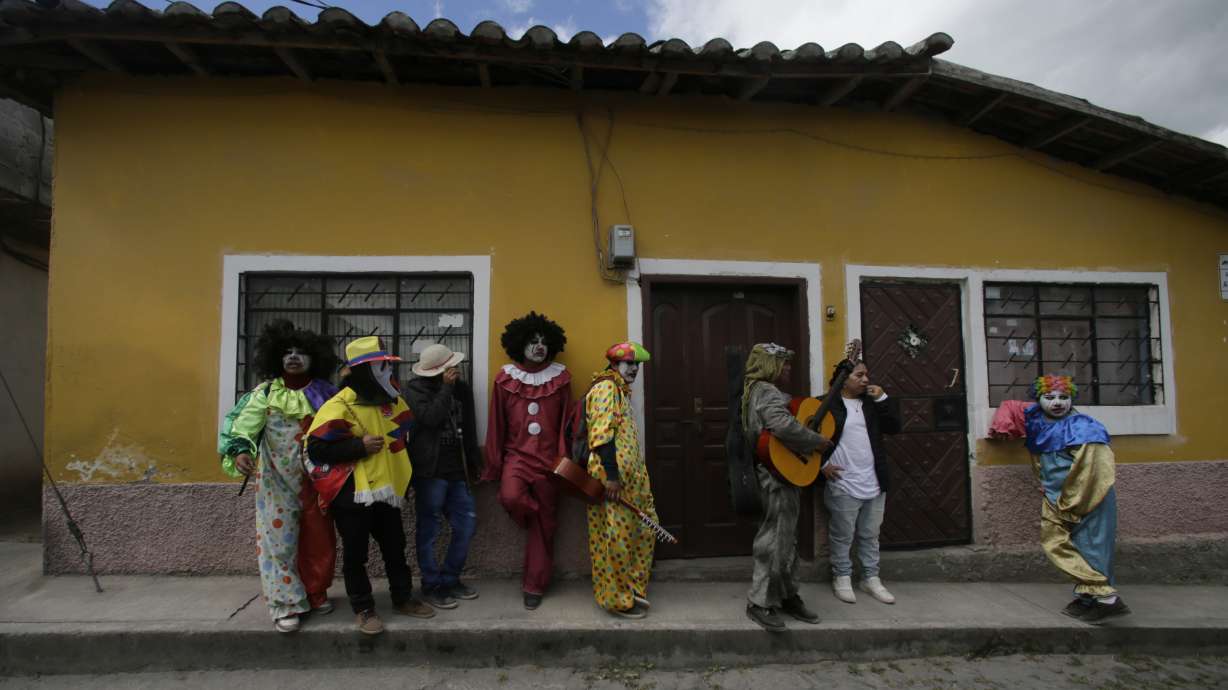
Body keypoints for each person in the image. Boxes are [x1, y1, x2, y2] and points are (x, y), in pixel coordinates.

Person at [305, 336, 434, 635]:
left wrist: (409, 479)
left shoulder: (394, 401)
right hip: (353, 495)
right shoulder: (337, 406)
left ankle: (402, 598)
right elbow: (316, 450)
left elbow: (404, 439)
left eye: (386, 367)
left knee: (395, 548)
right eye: (379, 368)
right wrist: (357, 447)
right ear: (363, 372)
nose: (387, 373)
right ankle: (363, 609)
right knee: (355, 553)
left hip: (388, 492)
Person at [217, 320, 339, 633]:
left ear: (315, 358)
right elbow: (242, 427)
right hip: (275, 482)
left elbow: (342, 429)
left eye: (301, 352)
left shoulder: (327, 394)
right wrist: (241, 452)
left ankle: (315, 592)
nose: (294, 357)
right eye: (287, 352)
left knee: (319, 542)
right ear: (275, 358)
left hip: (317, 483)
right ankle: (284, 603)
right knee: (278, 544)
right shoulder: (264, 394)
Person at [989, 374, 1130, 624]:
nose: (1057, 403)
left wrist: (1073, 502)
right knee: (1057, 541)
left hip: (1087, 500)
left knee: (1091, 547)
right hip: (1056, 498)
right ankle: (1090, 594)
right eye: (1050, 397)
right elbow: (1012, 408)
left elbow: (1094, 471)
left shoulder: (1084, 427)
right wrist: (1002, 423)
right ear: (1039, 399)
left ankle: (1105, 599)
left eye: (1064, 397)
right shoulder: (1037, 420)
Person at [482, 312, 572, 610]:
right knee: (511, 497)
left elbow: (566, 425)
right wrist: (493, 463)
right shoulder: (505, 379)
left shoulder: (560, 378)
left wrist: (564, 463)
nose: (539, 346)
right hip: (516, 460)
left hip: (549, 463)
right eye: (533, 341)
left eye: (544, 342)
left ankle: (534, 585)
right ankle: (536, 515)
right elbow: (496, 424)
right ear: (520, 344)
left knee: (545, 529)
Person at [742, 343, 831, 633]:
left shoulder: (757, 391)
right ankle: (759, 602)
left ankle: (787, 594)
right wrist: (816, 441)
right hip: (775, 477)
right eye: (785, 364)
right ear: (771, 366)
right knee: (773, 539)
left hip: (781, 474)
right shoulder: (765, 391)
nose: (789, 369)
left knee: (786, 538)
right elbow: (782, 426)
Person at [404, 343, 481, 610]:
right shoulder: (414, 390)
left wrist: (474, 463)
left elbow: (469, 427)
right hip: (429, 471)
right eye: (450, 367)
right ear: (439, 371)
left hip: (457, 470)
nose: (455, 370)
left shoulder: (462, 389)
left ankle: (450, 579)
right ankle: (431, 584)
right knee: (429, 530)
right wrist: (446, 390)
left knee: (466, 525)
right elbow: (430, 418)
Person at [818, 358, 900, 606]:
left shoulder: (872, 404)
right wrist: (821, 467)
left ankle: (870, 578)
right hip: (844, 482)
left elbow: (894, 427)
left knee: (870, 534)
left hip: (873, 480)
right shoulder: (825, 404)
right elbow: (806, 435)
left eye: (867, 375)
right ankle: (842, 576)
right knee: (842, 535)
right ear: (844, 379)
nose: (866, 380)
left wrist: (883, 399)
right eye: (859, 375)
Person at [584, 341, 657, 619]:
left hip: (634, 479)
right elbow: (602, 436)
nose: (635, 369)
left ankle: (632, 588)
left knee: (647, 526)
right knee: (616, 539)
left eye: (637, 365)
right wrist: (612, 478)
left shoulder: (620, 390)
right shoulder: (605, 388)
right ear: (614, 365)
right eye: (629, 363)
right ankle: (616, 600)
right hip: (613, 480)